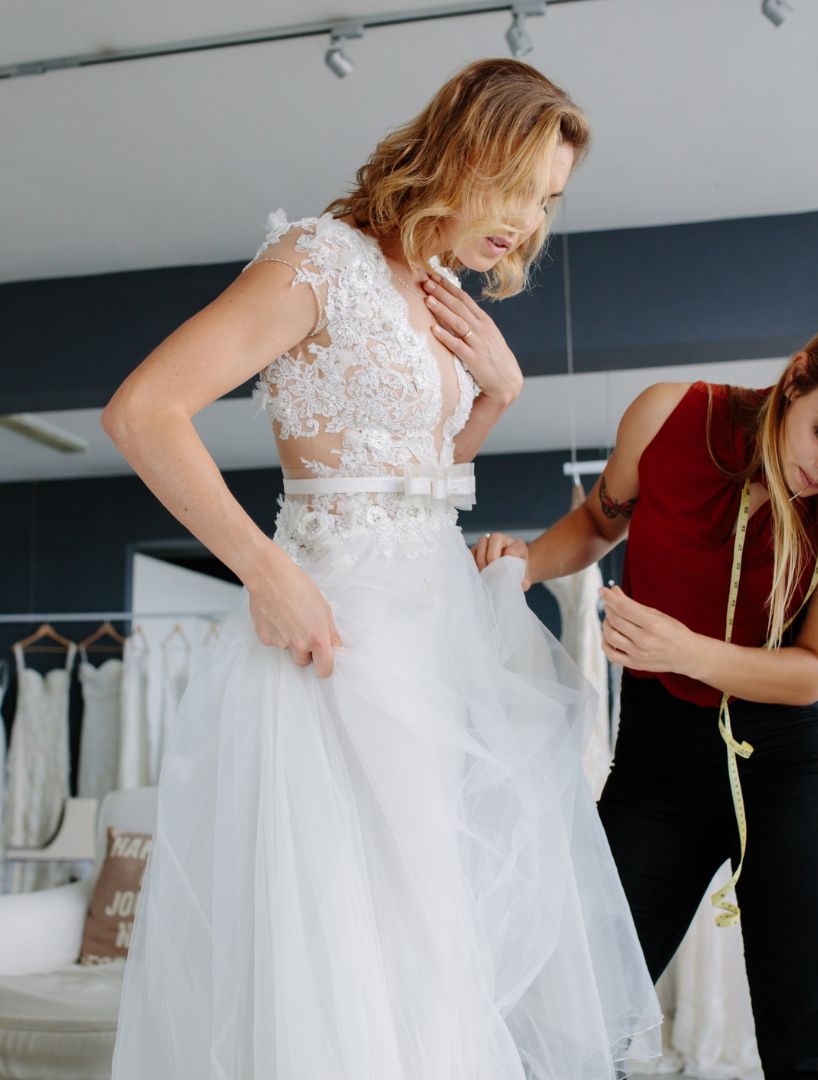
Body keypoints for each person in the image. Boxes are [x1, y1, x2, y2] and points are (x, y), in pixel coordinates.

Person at [104, 58, 660, 1080]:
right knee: (350, 929)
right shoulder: (320, 258)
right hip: (335, 631)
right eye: (517, 186)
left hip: (436, 632)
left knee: (431, 927)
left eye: (549, 203)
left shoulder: (439, 291)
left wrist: (491, 404)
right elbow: (143, 411)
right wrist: (264, 573)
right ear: (464, 150)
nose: (528, 224)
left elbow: (408, 475)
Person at [475, 306, 818, 1079]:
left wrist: (687, 651)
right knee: (579, 1014)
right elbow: (600, 523)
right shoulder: (670, 414)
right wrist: (527, 560)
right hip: (655, 766)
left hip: (793, 769)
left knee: (804, 1044)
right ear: (798, 374)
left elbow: (812, 671)